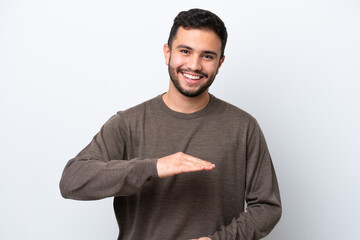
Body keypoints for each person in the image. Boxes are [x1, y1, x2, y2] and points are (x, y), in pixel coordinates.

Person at [60, 8, 281, 240]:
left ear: (220, 62)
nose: (194, 65)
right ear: (167, 53)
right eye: (185, 51)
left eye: (207, 56)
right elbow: (72, 180)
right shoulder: (127, 124)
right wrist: (153, 167)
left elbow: (267, 206)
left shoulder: (243, 127)